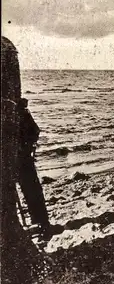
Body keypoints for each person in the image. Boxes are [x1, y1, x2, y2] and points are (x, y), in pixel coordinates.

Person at [17, 98, 52, 237]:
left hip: (22, 157)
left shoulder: (21, 112)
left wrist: (26, 148)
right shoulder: (19, 111)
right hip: (21, 156)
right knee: (32, 189)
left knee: (32, 189)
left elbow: (35, 131)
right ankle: (41, 222)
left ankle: (41, 222)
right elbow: (35, 131)